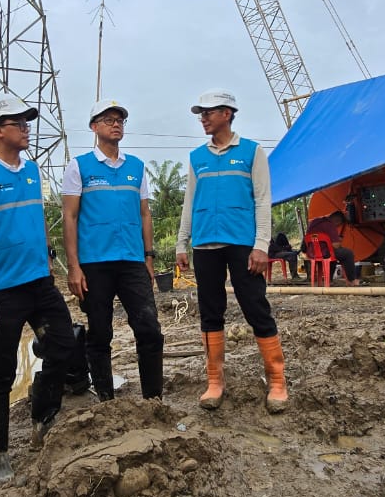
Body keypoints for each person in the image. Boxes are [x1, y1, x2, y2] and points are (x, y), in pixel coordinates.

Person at [0, 93, 76, 483]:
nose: (27, 129)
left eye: (27, 122)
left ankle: (43, 417)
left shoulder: (32, 171)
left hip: (40, 283)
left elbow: (36, 221)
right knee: (0, 372)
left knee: (63, 345)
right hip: (2, 292)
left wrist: (47, 259)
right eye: (19, 123)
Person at [175, 89, 288, 413]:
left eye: (208, 112)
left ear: (227, 113)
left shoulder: (252, 152)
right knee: (210, 311)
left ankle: (277, 380)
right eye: (201, 113)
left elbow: (262, 200)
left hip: (242, 245)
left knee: (255, 307)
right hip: (205, 245)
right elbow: (190, 202)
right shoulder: (197, 157)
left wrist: (261, 245)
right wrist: (182, 242)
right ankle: (215, 381)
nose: (203, 118)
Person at [61, 99, 164, 402]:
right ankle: (106, 401)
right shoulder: (79, 166)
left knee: (149, 329)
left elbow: (145, 214)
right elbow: (70, 216)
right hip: (94, 264)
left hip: (132, 261)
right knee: (100, 333)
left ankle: (153, 399)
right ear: (94, 127)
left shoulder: (136, 167)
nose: (116, 124)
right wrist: (74, 266)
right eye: (108, 119)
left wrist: (148, 257)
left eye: (120, 120)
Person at [305, 210, 361, 285]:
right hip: (325, 253)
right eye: (339, 225)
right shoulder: (330, 225)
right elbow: (335, 245)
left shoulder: (314, 222)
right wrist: (339, 241)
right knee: (348, 253)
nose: (337, 226)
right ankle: (352, 280)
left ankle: (329, 280)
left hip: (311, 253)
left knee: (333, 256)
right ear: (337, 221)